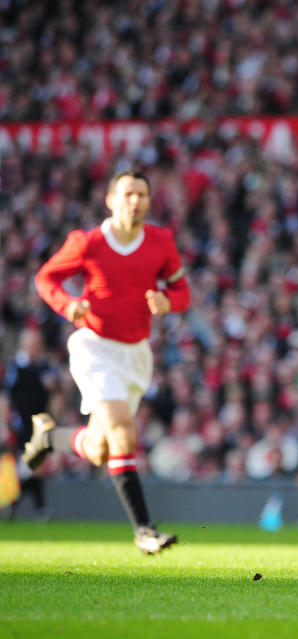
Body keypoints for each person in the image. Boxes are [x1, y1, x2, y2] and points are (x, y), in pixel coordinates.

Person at [24, 170, 190, 554]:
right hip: (95, 347)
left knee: (101, 448)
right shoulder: (89, 242)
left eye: (142, 195)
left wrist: (170, 302)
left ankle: (50, 437)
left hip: (136, 354)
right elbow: (46, 278)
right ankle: (144, 530)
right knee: (124, 432)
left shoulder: (162, 242)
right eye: (128, 194)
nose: (135, 201)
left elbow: (182, 292)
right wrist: (68, 305)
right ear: (111, 200)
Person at [4, 326, 57, 519]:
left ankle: (18, 505)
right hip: (22, 426)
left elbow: (55, 391)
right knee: (32, 468)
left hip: (41, 424)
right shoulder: (17, 367)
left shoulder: (45, 366)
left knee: (34, 468)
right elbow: (7, 396)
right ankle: (29, 506)